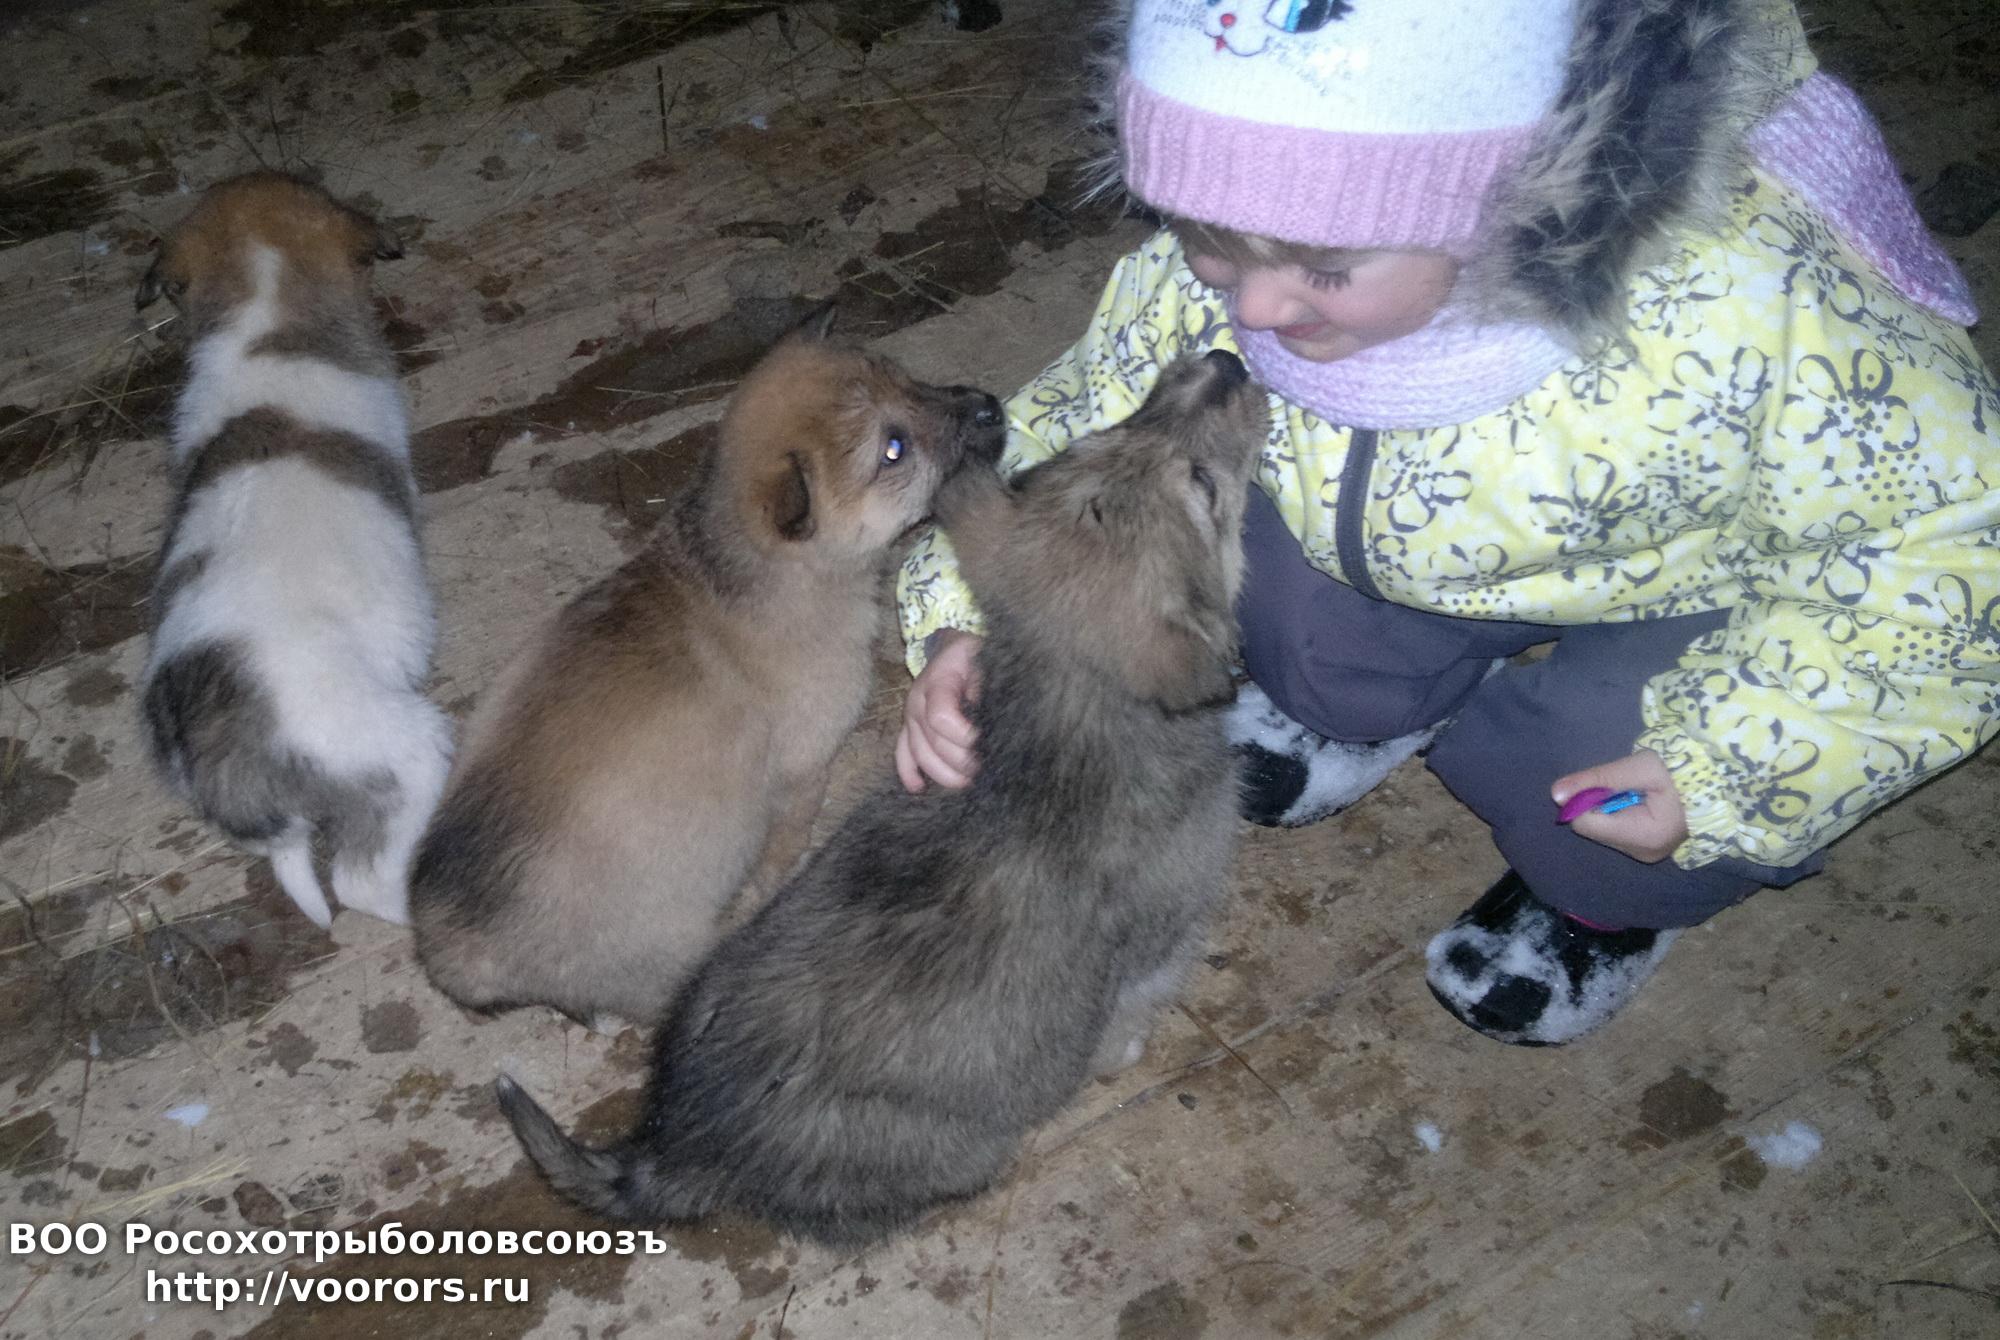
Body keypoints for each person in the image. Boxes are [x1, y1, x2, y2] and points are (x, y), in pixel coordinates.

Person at [892, 0, 2000, 1046]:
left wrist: (1730, 770)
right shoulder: (1259, 246)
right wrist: (974, 617)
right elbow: (1086, 418)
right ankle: (1357, 704)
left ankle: (1597, 903)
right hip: (1415, 538)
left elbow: (1954, 552)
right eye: (1204, 238)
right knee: (1274, 591)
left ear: (1501, 198)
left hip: (1704, 585)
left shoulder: (1746, 316)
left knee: (1588, 776)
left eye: (1324, 267)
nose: (1253, 307)